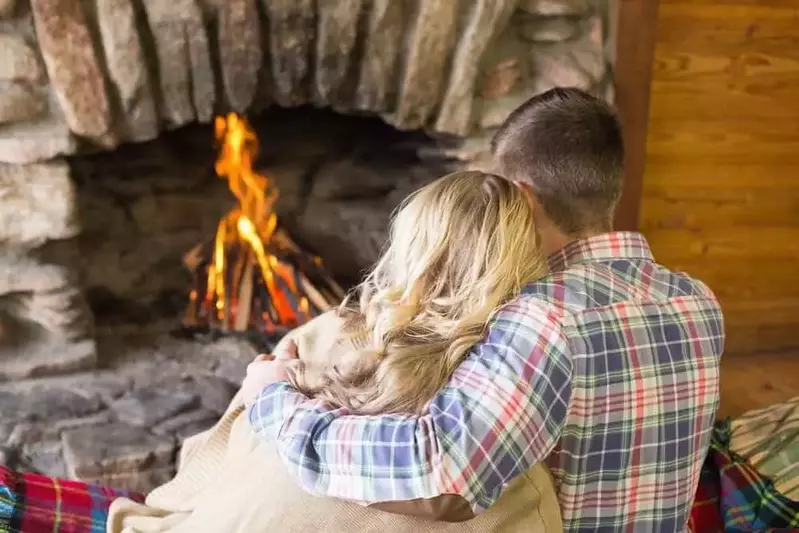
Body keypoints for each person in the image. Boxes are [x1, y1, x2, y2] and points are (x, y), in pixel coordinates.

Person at [247, 87, 726, 532]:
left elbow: (441, 473)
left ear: (521, 196)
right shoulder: (696, 300)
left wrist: (274, 403)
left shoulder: (545, 318)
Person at [102, 170, 563, 533]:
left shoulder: (317, 343)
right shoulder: (518, 408)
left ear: (411, 253)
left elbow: (213, 468)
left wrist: (266, 394)